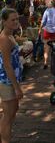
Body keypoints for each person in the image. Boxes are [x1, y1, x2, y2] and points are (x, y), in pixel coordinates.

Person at [0, 8, 23, 143]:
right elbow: (7, 65)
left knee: (13, 110)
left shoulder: (10, 35)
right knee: (8, 115)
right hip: (6, 80)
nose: (16, 22)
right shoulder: (4, 38)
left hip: (11, 79)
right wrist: (16, 87)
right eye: (12, 20)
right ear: (4, 21)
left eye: (17, 19)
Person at [39, 0, 55, 69]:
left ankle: (45, 62)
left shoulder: (47, 11)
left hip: (47, 30)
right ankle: (54, 62)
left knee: (46, 46)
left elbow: (43, 22)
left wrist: (40, 29)